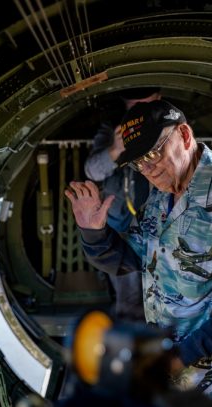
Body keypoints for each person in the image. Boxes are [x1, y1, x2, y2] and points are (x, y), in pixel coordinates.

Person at [65, 100, 212, 406]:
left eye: (153, 154)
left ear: (185, 136)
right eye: (138, 163)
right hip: (185, 379)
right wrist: (93, 231)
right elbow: (134, 259)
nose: (147, 169)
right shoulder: (163, 195)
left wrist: (175, 357)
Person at [82, 88, 161, 322]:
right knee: (128, 296)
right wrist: (116, 149)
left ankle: (162, 343)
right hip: (122, 227)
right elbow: (92, 171)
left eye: (144, 102)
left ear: (158, 99)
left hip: (161, 226)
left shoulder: (169, 126)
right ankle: (131, 342)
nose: (139, 109)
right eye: (134, 103)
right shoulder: (112, 131)